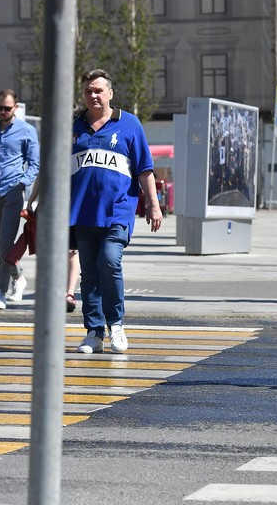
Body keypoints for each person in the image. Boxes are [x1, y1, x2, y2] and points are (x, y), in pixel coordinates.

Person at [71, 69, 162, 354]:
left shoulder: (129, 124)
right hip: (82, 213)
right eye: (88, 91)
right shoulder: (73, 126)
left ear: (110, 93)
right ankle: (94, 332)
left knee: (109, 262)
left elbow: (144, 169)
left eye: (98, 90)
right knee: (89, 274)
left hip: (117, 211)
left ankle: (117, 325)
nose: (93, 95)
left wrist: (154, 204)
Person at [0, 89, 40, 310]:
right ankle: (19, 277)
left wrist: (22, 183)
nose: (2, 112)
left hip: (13, 193)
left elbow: (34, 163)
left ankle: (0, 291)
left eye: (7, 108)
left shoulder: (27, 131)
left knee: (4, 243)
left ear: (16, 108)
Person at [27, 176, 80, 313]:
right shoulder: (49, 153)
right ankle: (54, 293)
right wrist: (31, 200)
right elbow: (41, 176)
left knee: (71, 252)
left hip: (71, 207)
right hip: (48, 207)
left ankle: (69, 294)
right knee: (47, 252)